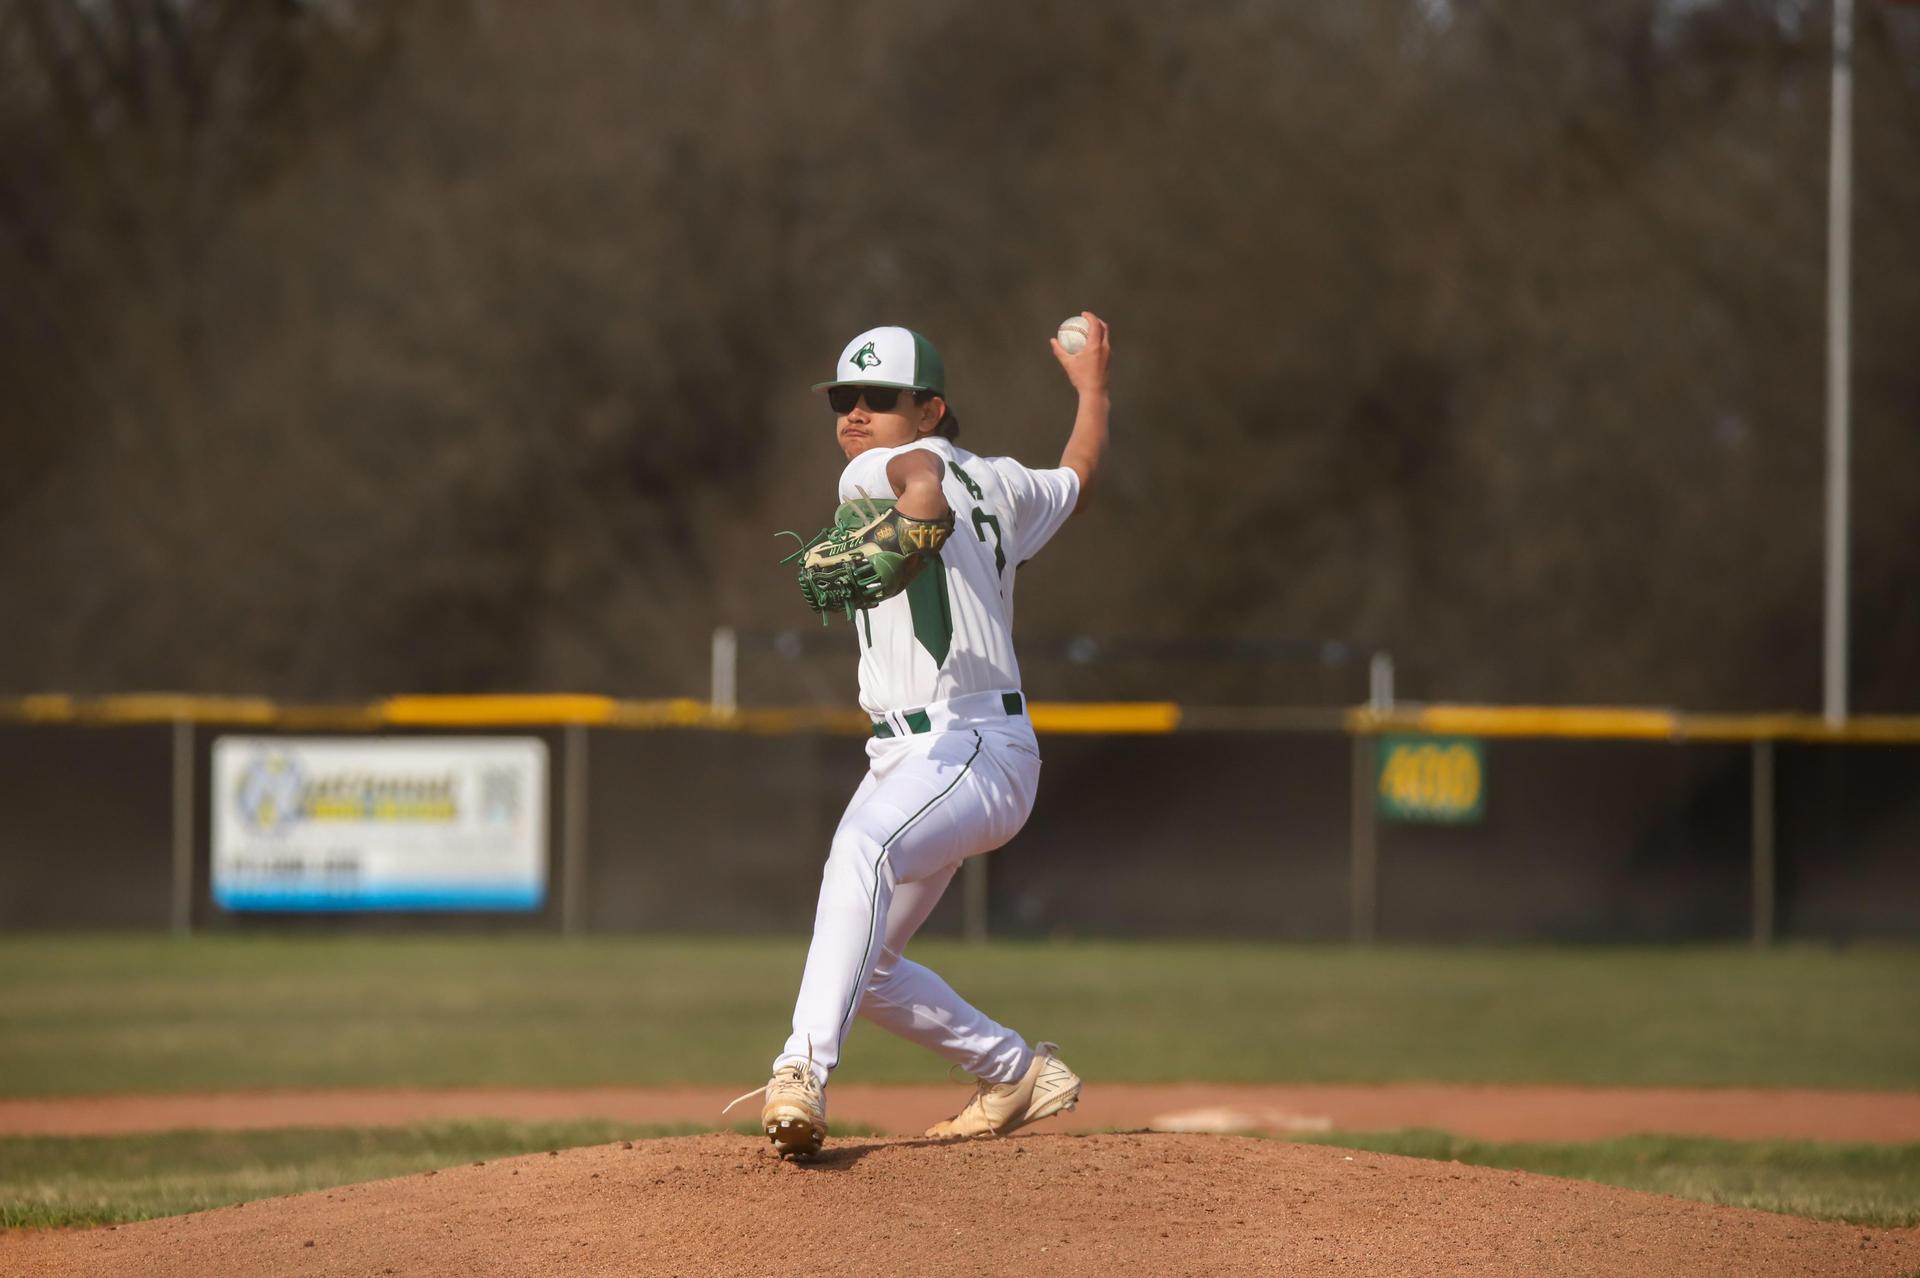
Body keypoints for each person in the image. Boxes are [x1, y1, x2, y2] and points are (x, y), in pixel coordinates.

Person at [728, 316, 1112, 1158]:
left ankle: (801, 1068)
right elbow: (1076, 473)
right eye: (844, 400)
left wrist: (920, 490)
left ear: (932, 408)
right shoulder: (1007, 484)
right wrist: (1092, 393)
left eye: (879, 398)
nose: (855, 416)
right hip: (922, 757)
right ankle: (1014, 1071)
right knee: (861, 960)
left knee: (861, 848)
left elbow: (909, 471)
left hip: (968, 746)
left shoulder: (878, 467)